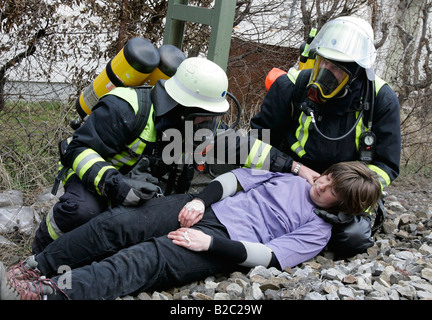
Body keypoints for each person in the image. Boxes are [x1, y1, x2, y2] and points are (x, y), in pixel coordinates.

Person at [2, 161, 381, 300]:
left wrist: (212, 243)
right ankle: (35, 266)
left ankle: (48, 294)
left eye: (332, 191)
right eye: (328, 176)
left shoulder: (318, 231)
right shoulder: (296, 180)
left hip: (221, 241)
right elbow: (235, 179)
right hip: (205, 207)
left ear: (343, 206)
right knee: (118, 223)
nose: (322, 185)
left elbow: (271, 257)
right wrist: (200, 201)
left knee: (141, 260)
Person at [32, 57, 232, 254]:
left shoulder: (197, 123)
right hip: (94, 178)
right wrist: (116, 185)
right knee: (83, 211)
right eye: (203, 117)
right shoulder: (124, 108)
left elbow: (239, 147)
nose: (208, 125)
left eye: (212, 118)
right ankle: (40, 251)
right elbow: (77, 150)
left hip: (139, 186)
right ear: (182, 107)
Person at [249, 16, 401, 256]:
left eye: (336, 70)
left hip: (345, 191)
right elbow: (257, 143)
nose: (325, 75)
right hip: (292, 176)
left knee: (352, 239)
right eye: (323, 64)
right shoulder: (291, 86)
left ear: (356, 74)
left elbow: (386, 166)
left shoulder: (381, 99)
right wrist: (292, 169)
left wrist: (347, 193)